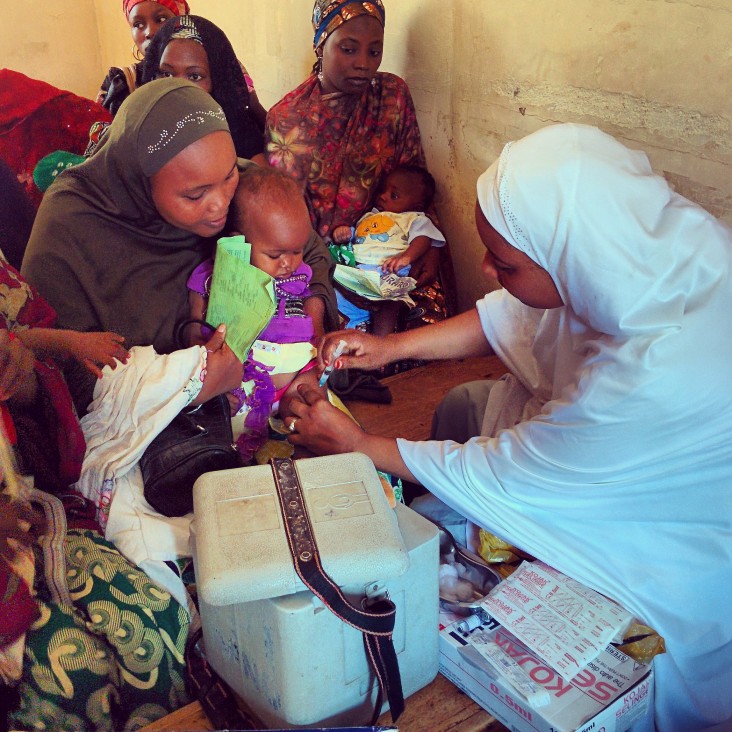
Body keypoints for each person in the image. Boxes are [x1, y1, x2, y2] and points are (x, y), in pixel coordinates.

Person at [284, 123, 732, 730]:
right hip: (603, 450)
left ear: (571, 259)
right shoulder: (641, 255)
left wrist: (359, 444)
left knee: (475, 491)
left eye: (506, 262)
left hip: (670, 543)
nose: (490, 271)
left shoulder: (652, 377)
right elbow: (514, 315)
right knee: (470, 404)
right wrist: (387, 349)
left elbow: (508, 471)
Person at [0, 266, 191, 732]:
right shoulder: (72, 229)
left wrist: (24, 379)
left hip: (32, 508)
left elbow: (55, 420)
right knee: (77, 682)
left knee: (160, 627)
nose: (217, 203)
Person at [265, 0, 452, 334]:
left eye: (374, 51)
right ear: (321, 45)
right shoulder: (288, 119)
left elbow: (415, 179)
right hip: (320, 260)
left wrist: (431, 248)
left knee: (427, 326)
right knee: (323, 341)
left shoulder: (392, 97)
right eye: (349, 49)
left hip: (393, 251)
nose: (363, 64)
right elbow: (288, 219)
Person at [186, 166, 328, 461]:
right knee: (229, 429)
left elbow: (311, 298)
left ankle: (311, 452)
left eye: (297, 250)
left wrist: (320, 336)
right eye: (275, 255)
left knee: (313, 406)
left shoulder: (298, 273)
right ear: (239, 242)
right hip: (243, 381)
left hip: (295, 375)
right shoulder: (212, 279)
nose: (289, 263)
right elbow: (193, 325)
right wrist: (202, 358)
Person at [331, 164, 445, 336]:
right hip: (358, 270)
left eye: (394, 195)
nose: (383, 197)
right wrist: (343, 233)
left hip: (388, 271)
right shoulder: (368, 217)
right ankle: (355, 325)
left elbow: (424, 239)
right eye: (383, 191)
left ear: (416, 205)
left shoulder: (414, 218)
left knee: (389, 301)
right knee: (335, 295)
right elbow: (356, 236)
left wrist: (406, 257)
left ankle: (380, 342)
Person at [141, 14, 266, 163]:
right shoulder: (140, 136)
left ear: (216, 81)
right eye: (166, 74)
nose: (178, 87)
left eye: (194, 77)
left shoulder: (243, 142)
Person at [95, 0, 190, 115]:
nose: (150, 32)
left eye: (161, 19)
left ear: (182, 24)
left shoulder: (206, 73)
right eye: (138, 24)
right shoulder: (121, 83)